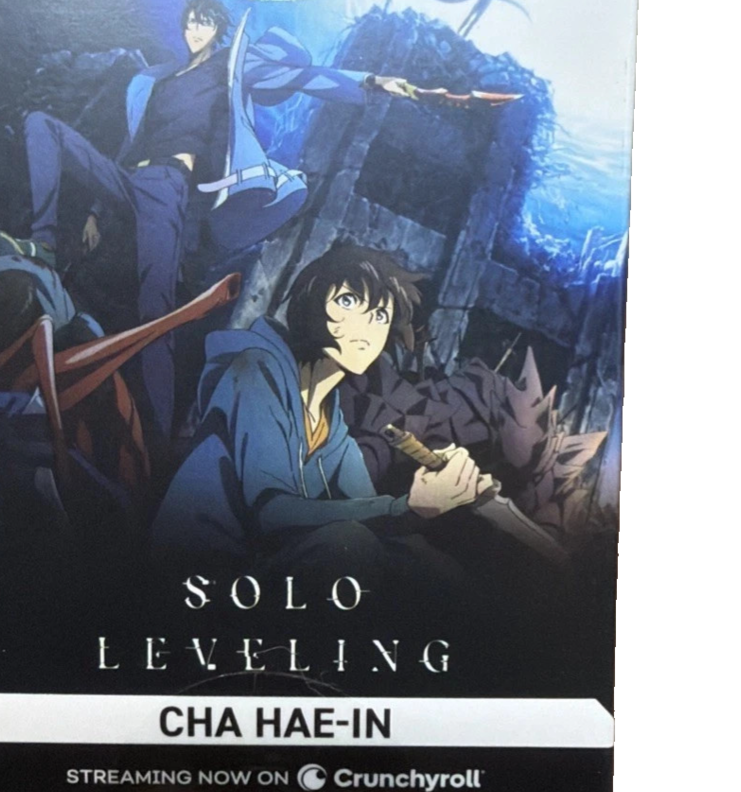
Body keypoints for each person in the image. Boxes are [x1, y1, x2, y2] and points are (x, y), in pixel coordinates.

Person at [0, 0, 420, 436]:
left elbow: (304, 76)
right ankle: (42, 243)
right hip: (127, 180)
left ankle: (157, 432)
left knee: (155, 310)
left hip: (167, 189)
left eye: (204, 23)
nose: (194, 30)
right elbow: (132, 145)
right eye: (190, 22)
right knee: (42, 125)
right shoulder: (158, 79)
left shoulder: (228, 68)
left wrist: (371, 81)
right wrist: (95, 212)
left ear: (219, 28)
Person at [150, 244, 494, 571]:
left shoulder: (332, 424)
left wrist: (442, 491)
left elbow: (369, 513)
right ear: (311, 304)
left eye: (380, 315)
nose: (365, 326)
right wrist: (406, 507)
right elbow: (272, 512)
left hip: (258, 573)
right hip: (197, 571)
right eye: (348, 300)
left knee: (424, 564)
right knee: (349, 543)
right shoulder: (255, 371)